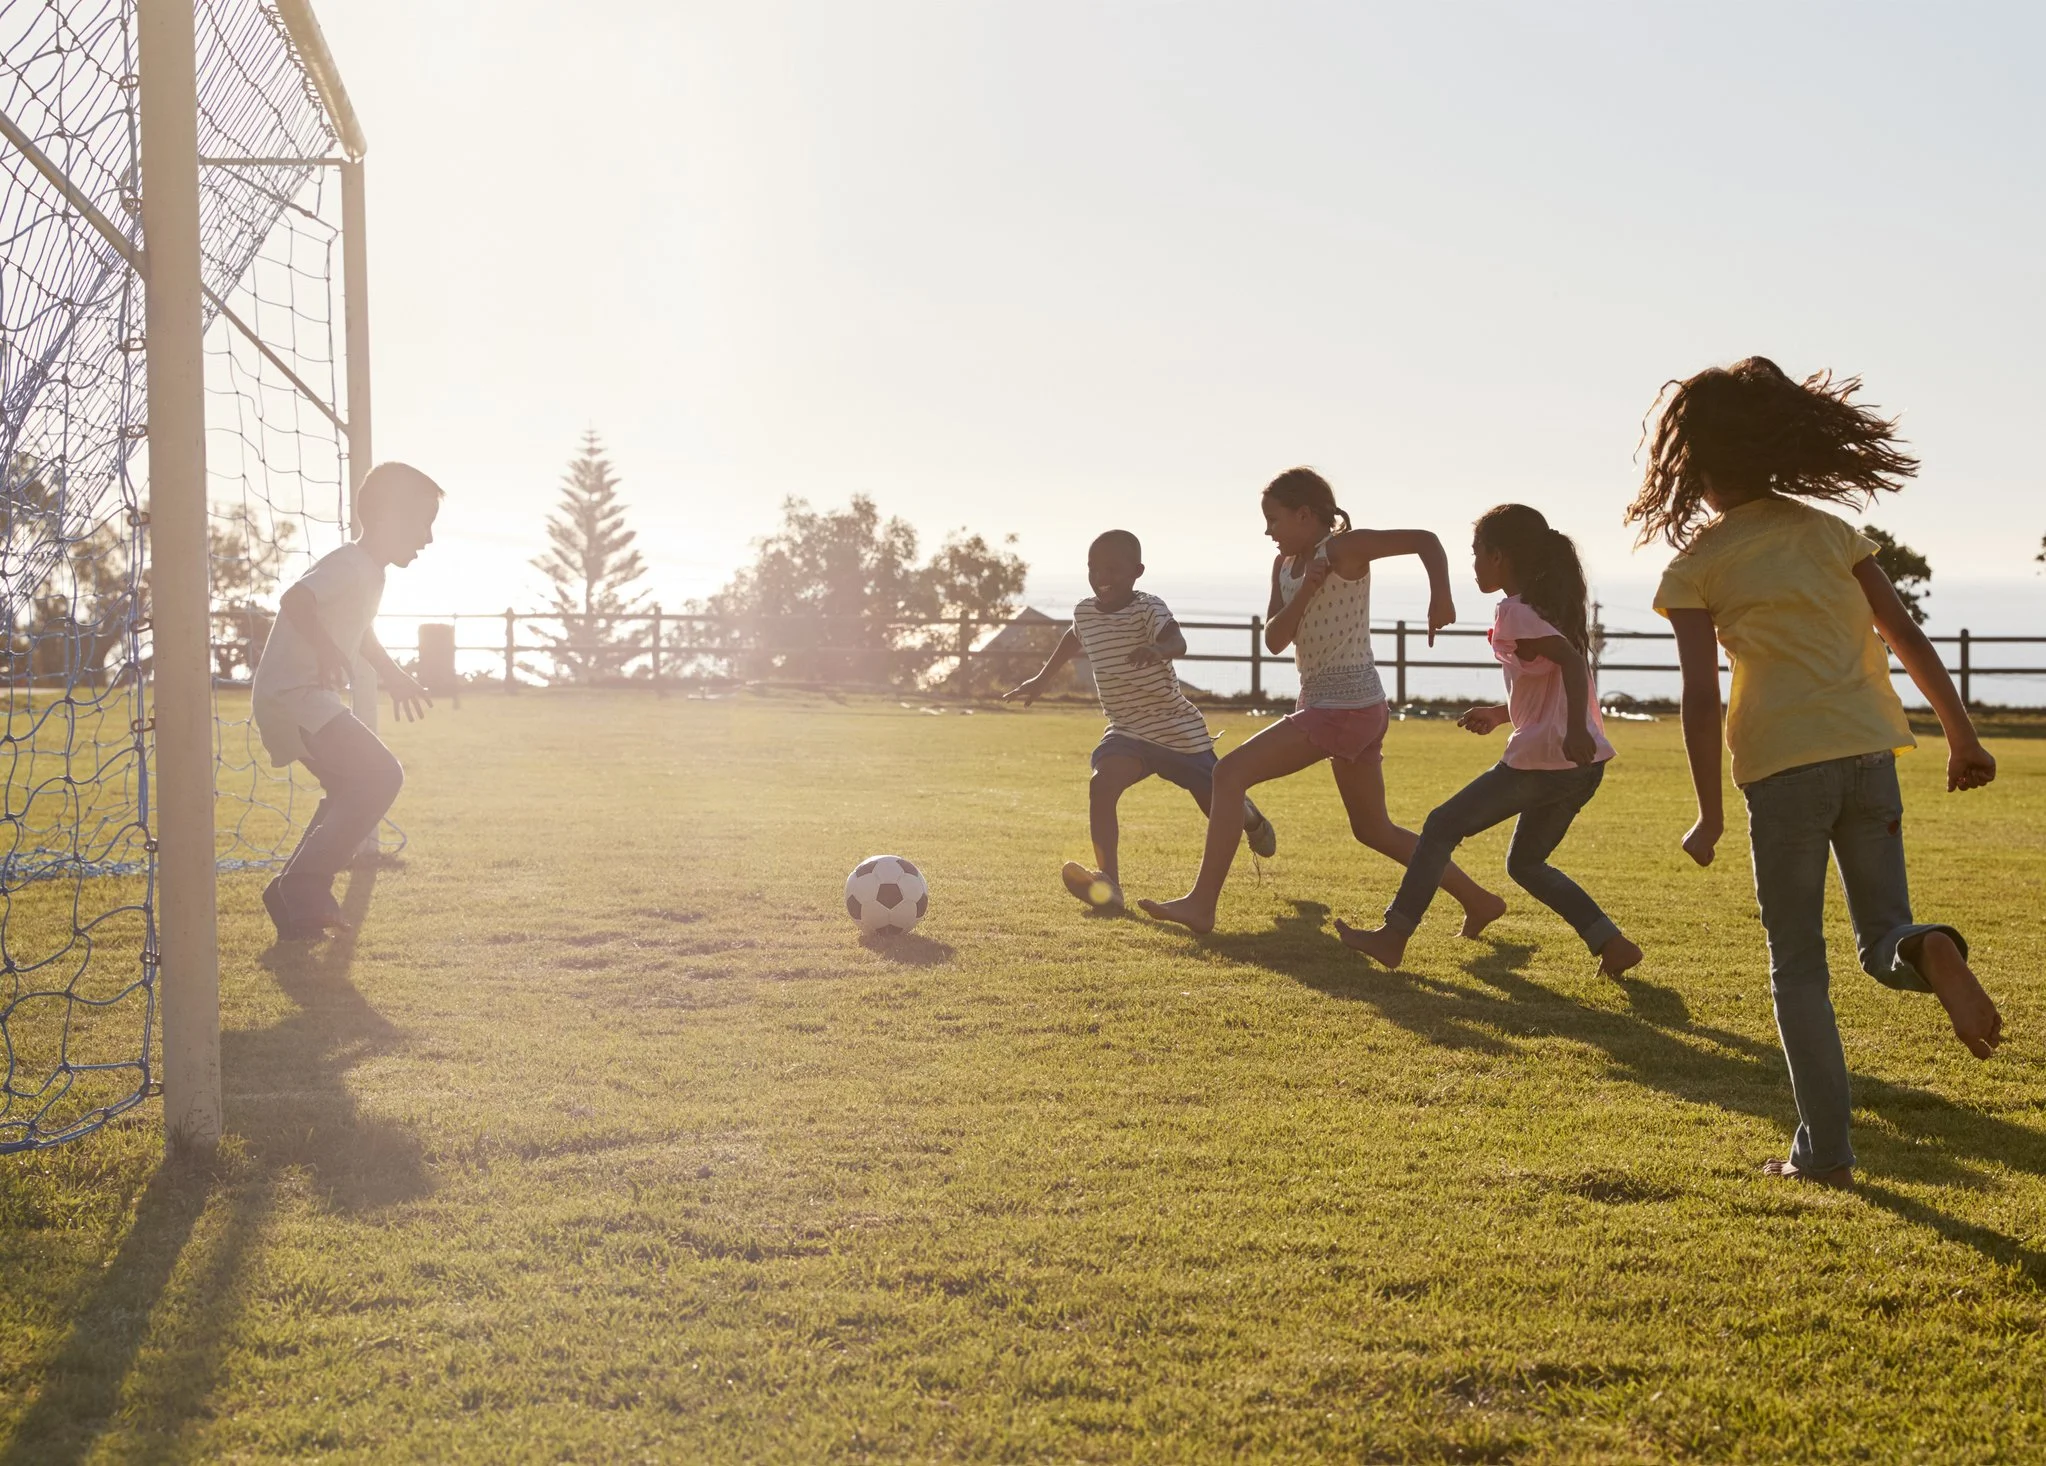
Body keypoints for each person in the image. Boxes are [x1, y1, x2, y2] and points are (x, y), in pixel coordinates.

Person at [1633, 356, 2002, 1191]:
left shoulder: (1698, 564)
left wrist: (1707, 812)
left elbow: (1698, 698)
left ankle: (1825, 1154)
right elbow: (1905, 638)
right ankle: (1926, 945)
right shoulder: (1831, 531)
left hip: (1781, 768)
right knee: (1883, 938)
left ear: (1695, 466)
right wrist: (1962, 736)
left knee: (1798, 963)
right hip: (1872, 754)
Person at [1139, 468, 1506, 935]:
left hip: (1345, 707)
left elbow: (1426, 540)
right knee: (1373, 829)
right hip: (1343, 708)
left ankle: (1201, 905)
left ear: (1305, 515)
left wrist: (1440, 597)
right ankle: (1479, 900)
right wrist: (1308, 588)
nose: (1267, 530)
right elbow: (1274, 639)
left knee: (1228, 774)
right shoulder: (1287, 567)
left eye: (1273, 519)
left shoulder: (1343, 549)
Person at [1336, 505, 1641, 975]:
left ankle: (1393, 936)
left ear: (1499, 557)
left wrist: (1576, 727)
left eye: (1476, 553)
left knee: (1441, 825)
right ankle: (1612, 944)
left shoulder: (1516, 611)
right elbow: (1550, 680)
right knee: (1526, 864)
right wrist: (1503, 715)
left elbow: (1573, 665)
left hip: (1549, 758)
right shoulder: (1544, 608)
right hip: (1581, 764)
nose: (1473, 563)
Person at [1004, 530, 1276, 910]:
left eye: (1113, 568)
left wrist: (1158, 648)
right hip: (1127, 730)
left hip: (1175, 731)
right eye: (1094, 567)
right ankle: (1109, 884)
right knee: (1101, 786)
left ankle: (1250, 818)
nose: (1102, 576)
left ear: (1137, 571)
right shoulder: (1085, 611)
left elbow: (1178, 641)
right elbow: (1073, 636)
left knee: (1215, 804)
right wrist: (1040, 680)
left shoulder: (1149, 608)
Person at [253, 462, 443, 941]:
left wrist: (394, 675)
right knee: (382, 774)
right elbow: (297, 599)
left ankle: (289, 898)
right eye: (423, 523)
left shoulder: (370, 574)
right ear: (387, 518)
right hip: (296, 697)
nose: (428, 539)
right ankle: (306, 883)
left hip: (299, 698)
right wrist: (323, 646)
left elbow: (362, 633)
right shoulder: (349, 563)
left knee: (348, 788)